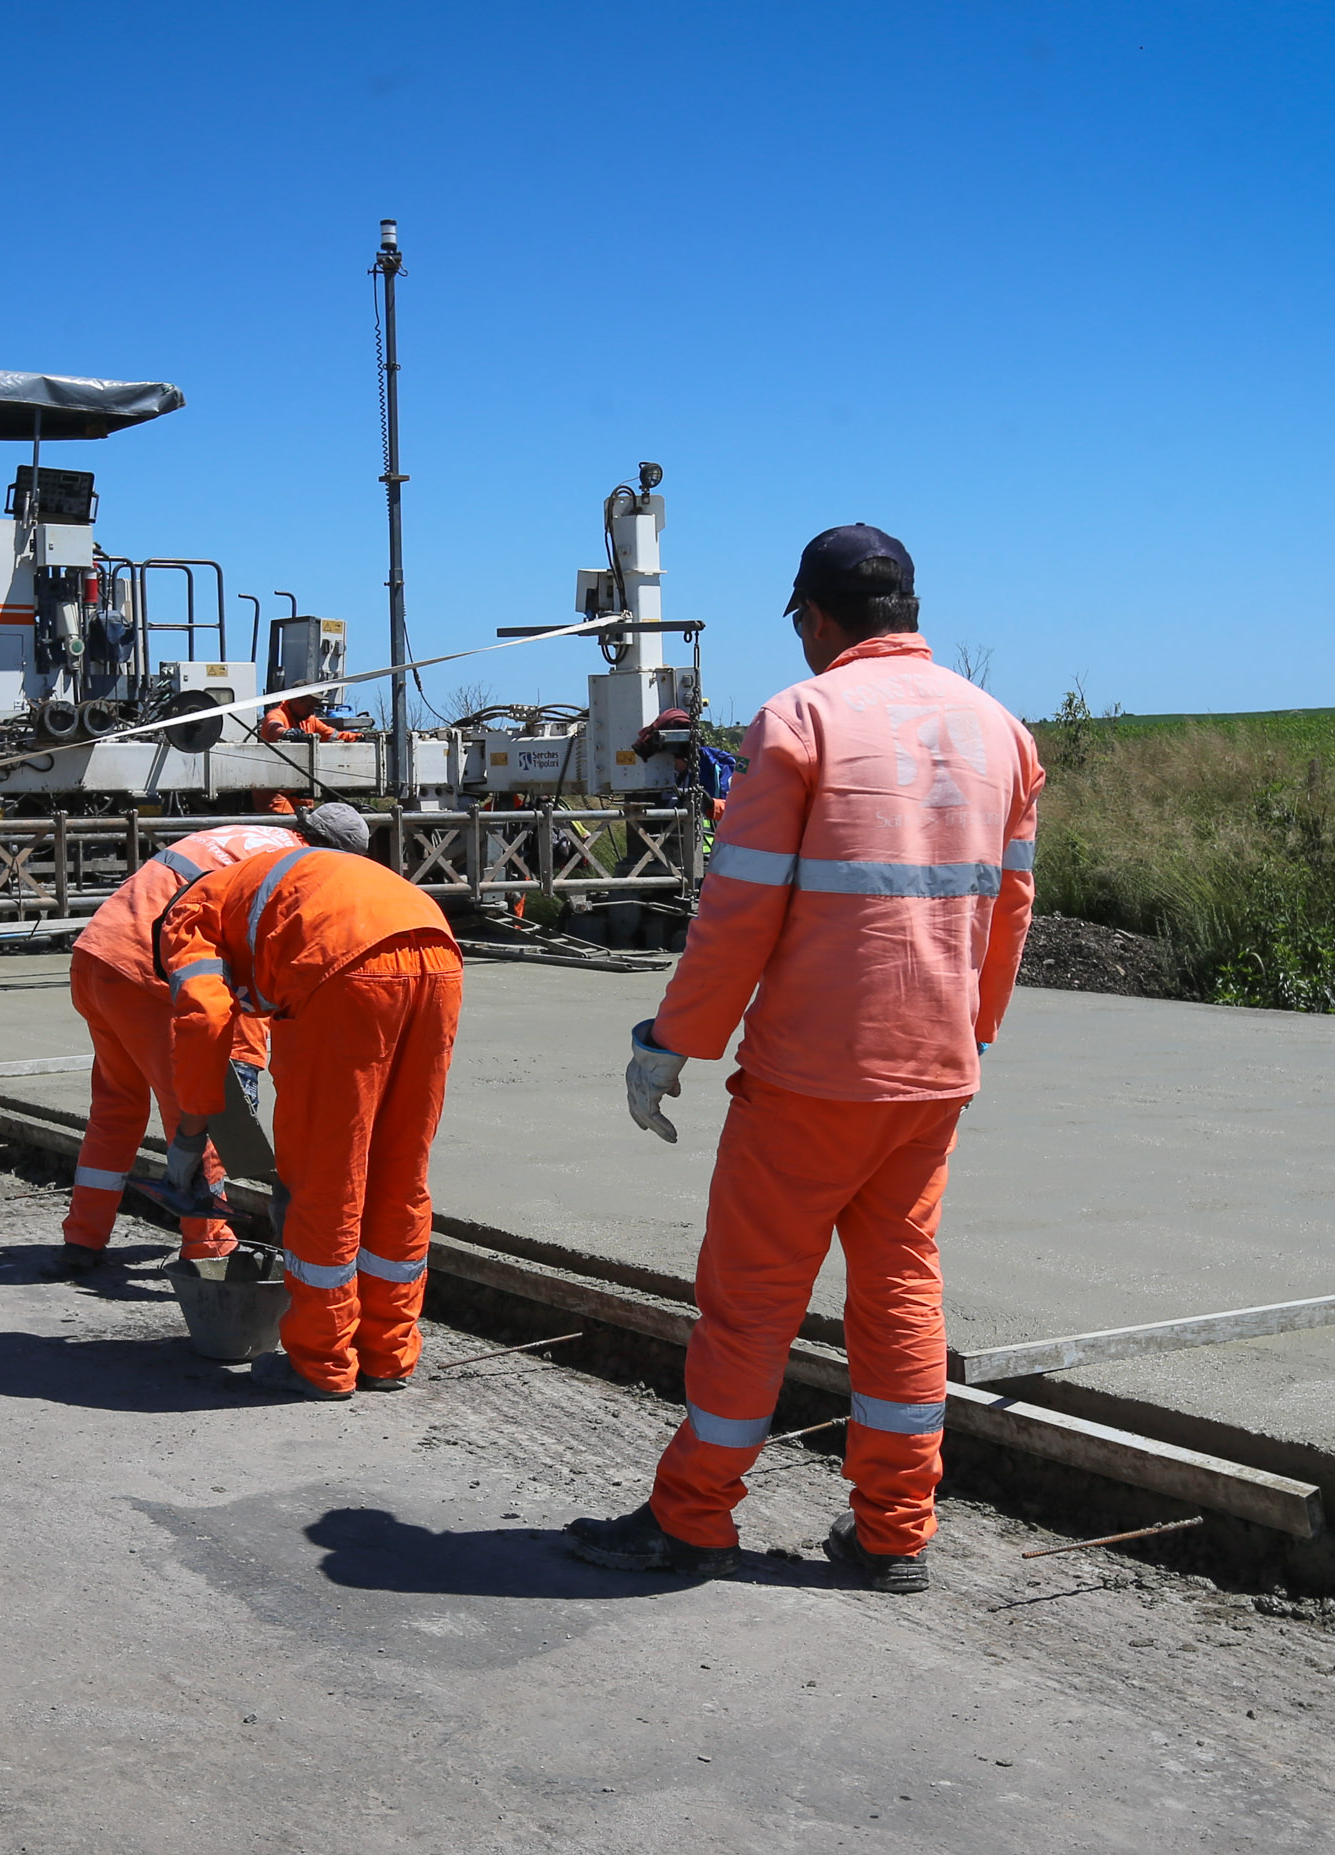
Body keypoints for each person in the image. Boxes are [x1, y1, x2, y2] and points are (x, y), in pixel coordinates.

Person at [568, 525, 1042, 1594]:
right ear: (907, 609)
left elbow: (738, 912)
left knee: (751, 1302)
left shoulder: (804, 718)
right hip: (932, 1075)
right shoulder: (1001, 731)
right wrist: (973, 1029)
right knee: (902, 1293)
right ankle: (893, 1532)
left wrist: (672, 1040)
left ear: (814, 620)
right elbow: (1010, 909)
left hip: (811, 1079)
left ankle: (692, 1520)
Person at [156, 809, 460, 1397]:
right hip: (436, 951)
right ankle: (387, 1353)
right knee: (401, 1165)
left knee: (327, 1175)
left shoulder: (187, 916)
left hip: (342, 971)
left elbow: (205, 1020)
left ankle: (321, 1361)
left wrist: (189, 1140)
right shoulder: (286, 879)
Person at [55, 815, 316, 1275]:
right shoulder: (288, 868)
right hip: (149, 975)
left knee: (117, 1105)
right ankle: (211, 1252)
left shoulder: (251, 836)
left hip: (98, 955)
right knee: (197, 1109)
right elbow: (244, 968)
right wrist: (242, 1064)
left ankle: (82, 1239)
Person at [256, 691, 356, 744]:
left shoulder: (309, 719)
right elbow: (274, 728)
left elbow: (331, 735)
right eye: (309, 706)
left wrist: (358, 737)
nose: (311, 711)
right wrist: (285, 733)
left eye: (314, 707)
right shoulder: (277, 715)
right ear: (296, 700)